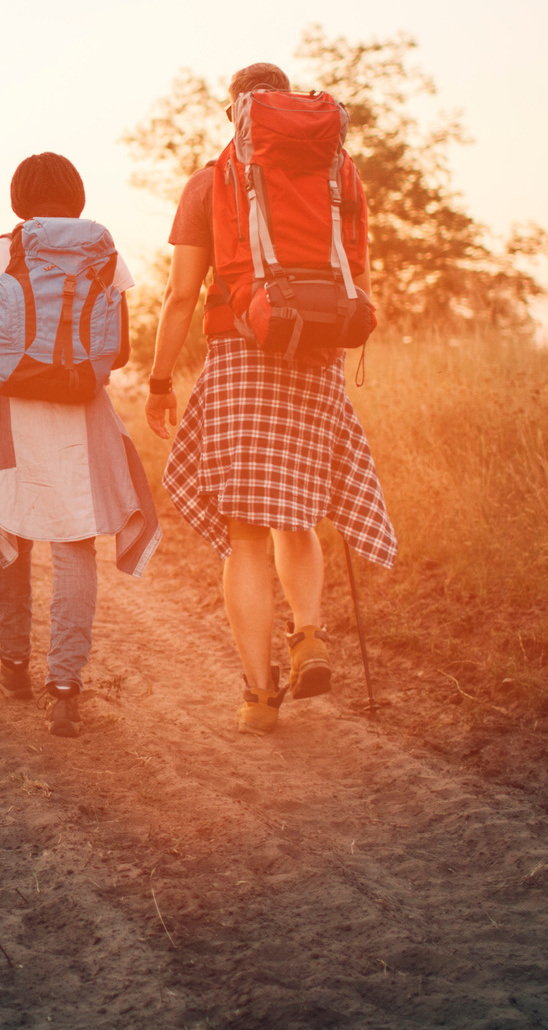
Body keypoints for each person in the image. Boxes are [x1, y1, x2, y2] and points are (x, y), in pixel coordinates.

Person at [144, 63, 398, 733]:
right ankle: (309, 632)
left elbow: (179, 295)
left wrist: (160, 379)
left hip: (240, 353)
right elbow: (360, 273)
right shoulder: (339, 175)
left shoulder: (211, 180)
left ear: (237, 113)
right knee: (301, 512)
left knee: (245, 535)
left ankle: (260, 696)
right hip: (316, 357)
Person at [0, 154, 160, 737]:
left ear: (18, 199)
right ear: (78, 197)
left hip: (11, 415)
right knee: (74, 547)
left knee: (11, 536)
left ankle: (13, 665)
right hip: (80, 415)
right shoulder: (105, 253)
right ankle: (65, 688)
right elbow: (115, 352)